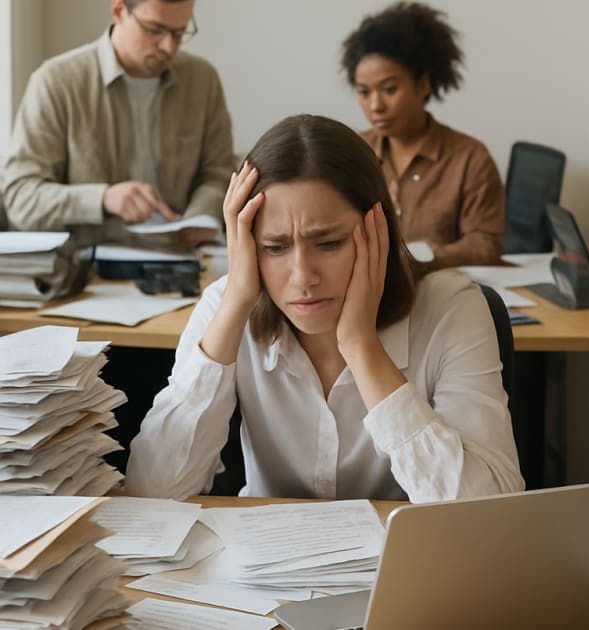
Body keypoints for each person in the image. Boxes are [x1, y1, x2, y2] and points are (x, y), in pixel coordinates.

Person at [125, 114, 523, 501]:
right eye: (275, 247)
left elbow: (484, 510)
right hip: (265, 561)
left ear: (378, 226)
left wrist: (362, 347)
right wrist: (233, 306)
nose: (303, 277)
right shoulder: (226, 305)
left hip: (403, 561)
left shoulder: (451, 309)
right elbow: (154, 493)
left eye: (329, 243)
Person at [2, 0, 232, 248]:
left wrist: (200, 217)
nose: (168, 46)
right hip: (86, 271)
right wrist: (102, 199)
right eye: (155, 30)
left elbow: (218, 172)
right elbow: (20, 199)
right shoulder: (55, 82)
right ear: (119, 11)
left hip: (183, 263)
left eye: (179, 33)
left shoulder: (203, 80)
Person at [340, 2, 504, 268]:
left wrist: (422, 258)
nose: (375, 106)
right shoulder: (353, 151)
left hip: (442, 293)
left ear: (424, 84)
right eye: (364, 92)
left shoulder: (469, 158)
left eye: (389, 89)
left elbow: (486, 245)